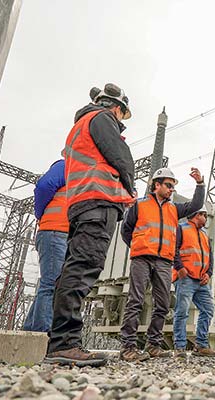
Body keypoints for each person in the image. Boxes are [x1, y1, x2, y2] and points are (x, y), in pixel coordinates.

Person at [44, 83, 136, 367]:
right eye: (122, 114)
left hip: (83, 204)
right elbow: (120, 158)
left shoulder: (81, 125)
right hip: (98, 203)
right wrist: (130, 188)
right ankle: (64, 344)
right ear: (116, 107)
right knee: (83, 268)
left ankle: (61, 341)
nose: (121, 120)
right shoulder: (102, 119)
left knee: (74, 269)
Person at [119, 167, 205, 362]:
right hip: (142, 258)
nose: (171, 189)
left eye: (173, 186)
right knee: (136, 301)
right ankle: (128, 347)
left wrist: (200, 184)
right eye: (168, 185)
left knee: (163, 304)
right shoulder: (139, 205)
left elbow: (196, 204)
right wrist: (137, 246)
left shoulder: (173, 209)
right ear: (156, 185)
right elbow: (126, 231)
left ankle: (153, 345)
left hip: (164, 262)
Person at [23, 160, 68, 332]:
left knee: (50, 284)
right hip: (55, 231)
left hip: (60, 232)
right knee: (51, 285)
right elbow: (43, 186)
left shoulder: (80, 173)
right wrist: (39, 214)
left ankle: (30, 331)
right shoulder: (66, 165)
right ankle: (43, 334)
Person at [172, 205, 215, 357]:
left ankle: (201, 345)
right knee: (182, 311)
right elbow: (174, 249)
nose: (205, 218)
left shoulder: (204, 235)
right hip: (185, 278)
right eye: (203, 215)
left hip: (201, 280)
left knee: (208, 309)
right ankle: (179, 346)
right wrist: (179, 268)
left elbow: (210, 257)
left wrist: (209, 273)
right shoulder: (181, 228)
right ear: (195, 215)